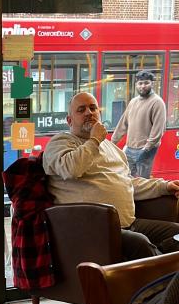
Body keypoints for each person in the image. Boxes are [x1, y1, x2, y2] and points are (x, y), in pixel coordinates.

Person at [43, 92, 179, 261]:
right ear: (69, 120)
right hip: (91, 229)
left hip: (129, 223)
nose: (89, 113)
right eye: (81, 109)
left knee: (177, 233)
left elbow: (127, 182)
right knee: (140, 243)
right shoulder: (60, 142)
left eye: (93, 108)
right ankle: (158, 272)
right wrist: (94, 140)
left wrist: (164, 186)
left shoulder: (110, 148)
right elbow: (71, 169)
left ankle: (159, 266)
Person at [111, 70, 166, 178]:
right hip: (129, 148)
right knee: (124, 179)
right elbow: (123, 124)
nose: (143, 86)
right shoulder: (133, 102)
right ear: (136, 85)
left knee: (142, 182)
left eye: (146, 83)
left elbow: (158, 129)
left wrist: (146, 149)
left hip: (146, 150)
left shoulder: (157, 102)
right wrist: (112, 142)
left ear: (152, 84)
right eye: (140, 83)